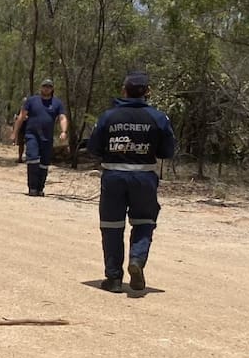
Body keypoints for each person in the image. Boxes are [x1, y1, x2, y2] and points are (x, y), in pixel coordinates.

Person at [87, 71, 176, 294]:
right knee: (144, 222)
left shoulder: (108, 117)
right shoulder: (158, 118)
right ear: (147, 93)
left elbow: (93, 149)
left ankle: (114, 278)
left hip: (113, 177)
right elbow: (167, 151)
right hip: (145, 177)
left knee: (112, 227)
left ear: (124, 90)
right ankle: (137, 259)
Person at [11, 78, 68, 195]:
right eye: (44, 86)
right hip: (32, 135)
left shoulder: (57, 103)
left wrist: (64, 131)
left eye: (49, 86)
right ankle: (32, 188)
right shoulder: (31, 101)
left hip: (47, 138)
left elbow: (62, 117)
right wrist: (15, 133)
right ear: (40, 88)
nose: (46, 88)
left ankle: (40, 188)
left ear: (52, 89)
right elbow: (21, 117)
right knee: (33, 159)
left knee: (44, 163)